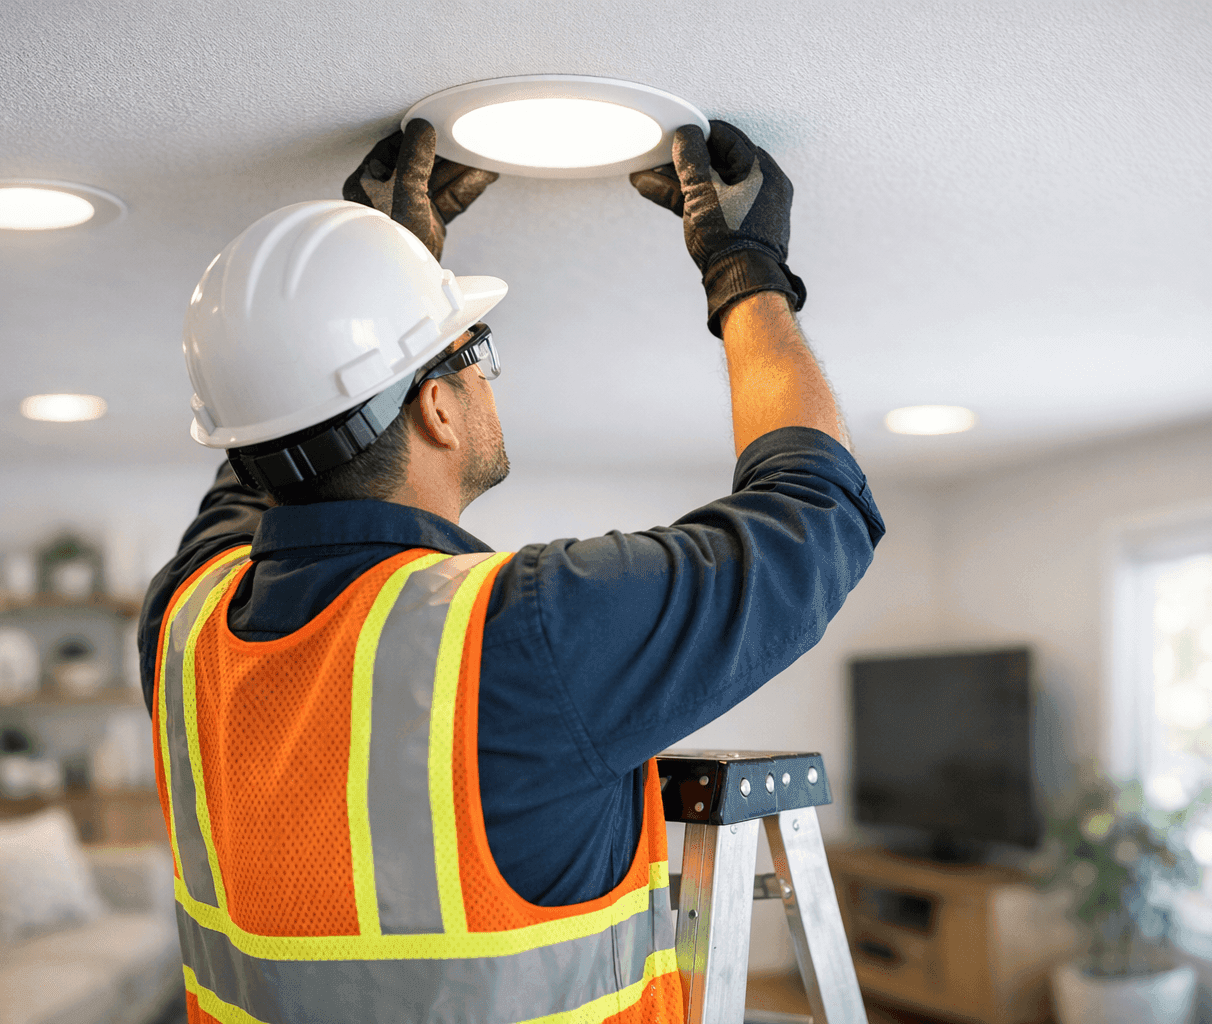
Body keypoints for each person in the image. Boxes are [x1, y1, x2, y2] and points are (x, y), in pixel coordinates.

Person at [142, 116, 884, 1024]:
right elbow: (816, 515)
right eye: (475, 351)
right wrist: (748, 271)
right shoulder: (524, 633)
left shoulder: (182, 630)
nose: (487, 377)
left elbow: (270, 455)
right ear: (438, 409)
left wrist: (376, 278)